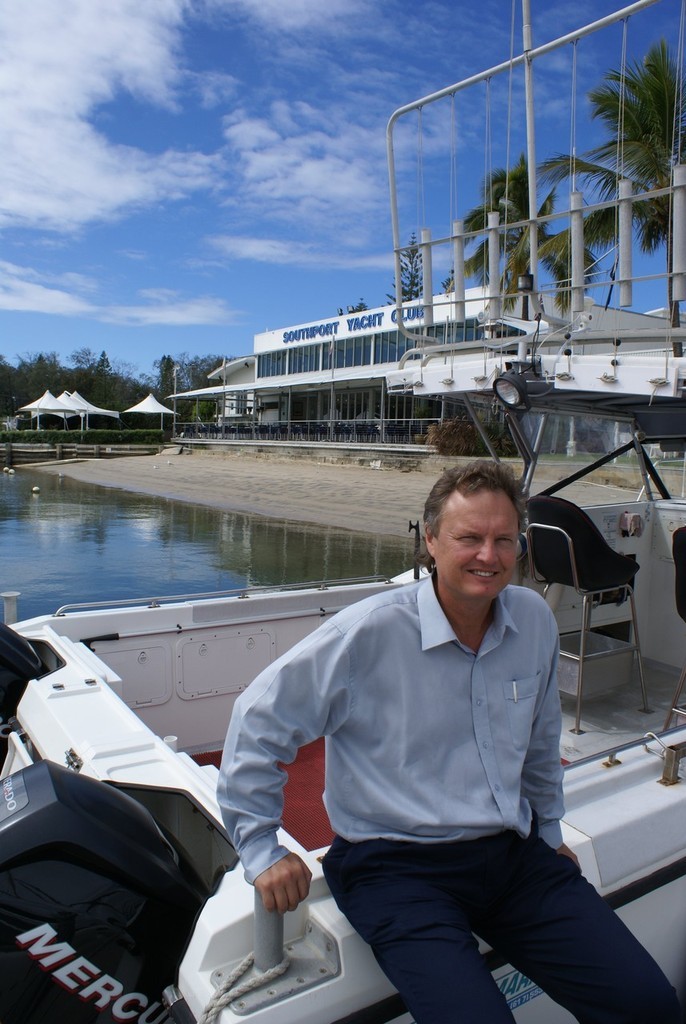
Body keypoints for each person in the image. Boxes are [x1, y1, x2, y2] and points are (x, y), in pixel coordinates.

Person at [218, 460, 680, 1023]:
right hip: (393, 869)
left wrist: (549, 829)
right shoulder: (366, 633)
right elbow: (258, 721)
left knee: (649, 1005)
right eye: (469, 538)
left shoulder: (531, 618)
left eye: (503, 540)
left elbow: (540, 742)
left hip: (512, 857)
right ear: (431, 540)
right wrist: (262, 847)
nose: (488, 555)